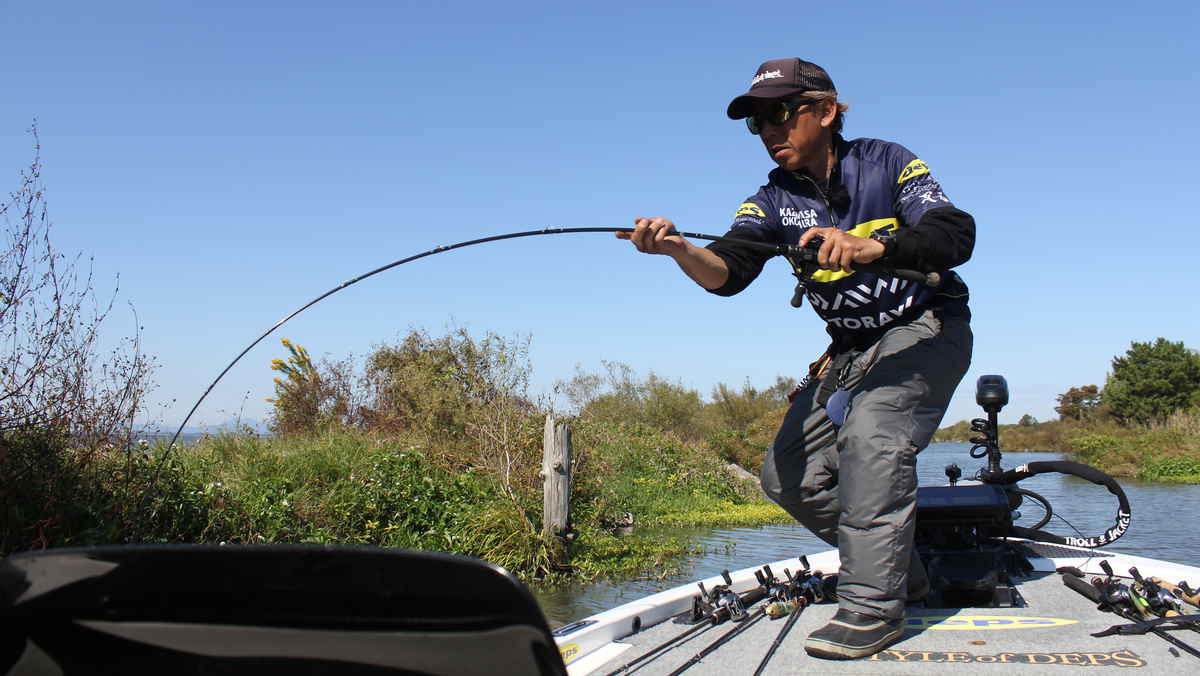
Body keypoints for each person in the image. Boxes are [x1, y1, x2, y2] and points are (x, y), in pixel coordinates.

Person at [617, 57, 974, 660]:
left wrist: (874, 245)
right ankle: (904, 577)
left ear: (826, 111)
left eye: (780, 113)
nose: (768, 130)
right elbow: (728, 271)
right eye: (756, 122)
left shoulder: (888, 163)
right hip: (849, 351)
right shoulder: (771, 200)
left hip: (924, 328)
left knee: (872, 439)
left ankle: (871, 609)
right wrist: (678, 250)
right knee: (787, 477)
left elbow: (955, 233)